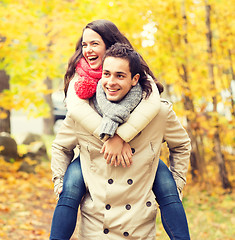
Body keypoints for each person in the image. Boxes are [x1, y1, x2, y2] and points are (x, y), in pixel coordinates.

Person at [50, 20, 190, 240]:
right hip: (93, 163)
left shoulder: (146, 92)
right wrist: (59, 180)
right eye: (84, 44)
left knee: (167, 188)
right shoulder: (83, 88)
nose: (88, 50)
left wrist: (122, 136)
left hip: (140, 169)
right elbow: (63, 139)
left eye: (94, 43)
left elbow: (157, 111)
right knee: (70, 187)